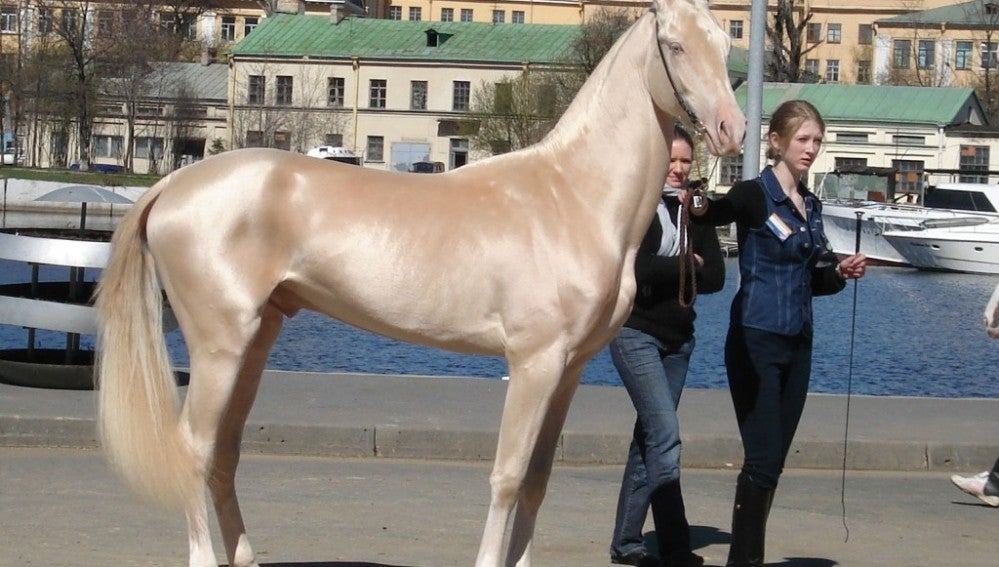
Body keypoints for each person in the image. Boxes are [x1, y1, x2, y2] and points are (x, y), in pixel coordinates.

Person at [685, 99, 867, 567]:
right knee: (763, 460)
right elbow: (709, 212)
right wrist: (698, 189)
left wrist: (840, 272)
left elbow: (816, 279)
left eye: (817, 142)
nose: (811, 149)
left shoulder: (813, 205)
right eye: (803, 139)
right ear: (777, 142)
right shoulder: (754, 194)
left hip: (797, 342)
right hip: (754, 339)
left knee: (772, 465)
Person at [609, 125, 725, 567]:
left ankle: (626, 543)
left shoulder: (696, 210)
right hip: (635, 332)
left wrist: (683, 261)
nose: (677, 170)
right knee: (665, 435)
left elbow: (714, 277)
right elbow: (633, 269)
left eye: (684, 162)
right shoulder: (638, 207)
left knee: (649, 439)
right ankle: (676, 544)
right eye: (670, 161)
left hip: (679, 341)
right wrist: (683, 263)